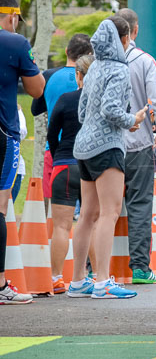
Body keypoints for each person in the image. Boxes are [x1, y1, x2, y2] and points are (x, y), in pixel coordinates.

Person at [71, 16, 148, 300]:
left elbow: (82, 112)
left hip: (83, 146)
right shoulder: (118, 69)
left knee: (87, 215)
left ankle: (78, 280)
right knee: (109, 212)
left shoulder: (92, 70)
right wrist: (133, 119)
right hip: (107, 146)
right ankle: (103, 280)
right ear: (124, 39)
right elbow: (111, 109)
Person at [115, 8, 156, 285]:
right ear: (134, 31)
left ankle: (92, 269)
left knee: (100, 209)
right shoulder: (144, 61)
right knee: (139, 205)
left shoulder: (95, 62)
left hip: (104, 147)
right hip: (138, 146)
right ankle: (139, 267)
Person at [0, 0, 44, 305]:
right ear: (13, 16)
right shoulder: (15, 43)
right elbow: (37, 89)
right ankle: (1, 284)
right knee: (0, 207)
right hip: (3, 132)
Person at [47, 55, 92, 294]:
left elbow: (52, 134)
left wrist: (58, 158)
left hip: (64, 164)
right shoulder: (100, 101)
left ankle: (56, 278)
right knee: (91, 223)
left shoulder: (65, 99)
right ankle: (90, 276)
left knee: (61, 227)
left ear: (78, 75)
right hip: (92, 166)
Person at [32, 33, 92, 209]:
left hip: (56, 151)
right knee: (90, 215)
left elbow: (35, 109)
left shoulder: (49, 76)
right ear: (89, 54)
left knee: (55, 212)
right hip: (89, 151)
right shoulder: (94, 80)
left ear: (66, 51)